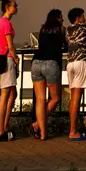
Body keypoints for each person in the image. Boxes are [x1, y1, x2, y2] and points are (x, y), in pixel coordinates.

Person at [31, 9, 65, 140]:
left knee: (40, 100)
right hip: (51, 63)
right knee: (55, 98)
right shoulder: (61, 29)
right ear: (57, 18)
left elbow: (41, 44)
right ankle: (37, 124)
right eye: (61, 17)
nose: (62, 19)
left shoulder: (42, 29)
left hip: (36, 62)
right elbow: (64, 45)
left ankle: (43, 134)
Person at [63, 7, 86, 141]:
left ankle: (72, 129)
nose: (85, 19)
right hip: (80, 62)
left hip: (70, 63)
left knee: (72, 98)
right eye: (82, 16)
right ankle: (73, 131)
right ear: (78, 19)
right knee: (77, 98)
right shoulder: (84, 27)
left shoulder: (67, 30)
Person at [0, 0, 21, 141]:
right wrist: (16, 58)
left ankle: (4, 126)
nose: (16, 8)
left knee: (12, 93)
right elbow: (9, 44)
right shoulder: (6, 23)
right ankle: (1, 131)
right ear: (8, 7)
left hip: (2, 58)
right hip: (7, 59)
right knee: (5, 96)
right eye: (14, 5)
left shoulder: (0, 22)